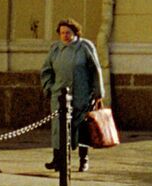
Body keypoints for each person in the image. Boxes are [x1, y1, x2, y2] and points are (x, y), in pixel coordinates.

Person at [41, 18, 105, 172]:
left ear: (75, 32)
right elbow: (46, 70)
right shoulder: (55, 49)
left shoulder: (85, 47)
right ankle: (58, 159)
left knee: (81, 128)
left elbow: (95, 70)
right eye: (62, 33)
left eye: (68, 32)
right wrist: (49, 88)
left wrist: (98, 94)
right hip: (59, 96)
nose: (65, 36)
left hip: (81, 95)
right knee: (58, 128)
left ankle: (84, 160)